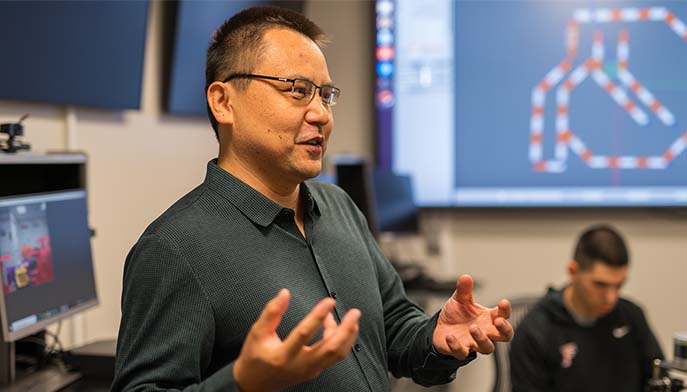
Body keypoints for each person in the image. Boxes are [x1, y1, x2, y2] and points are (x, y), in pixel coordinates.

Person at [111, 6, 513, 392]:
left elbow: (392, 325)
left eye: (325, 95)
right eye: (298, 91)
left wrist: (435, 338)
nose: (321, 114)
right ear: (223, 102)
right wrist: (242, 384)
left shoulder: (338, 206)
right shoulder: (175, 249)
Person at [510, 224, 663, 392]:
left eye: (619, 285)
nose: (611, 298)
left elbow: (659, 379)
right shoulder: (536, 330)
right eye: (600, 285)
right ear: (573, 271)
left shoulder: (631, 316)